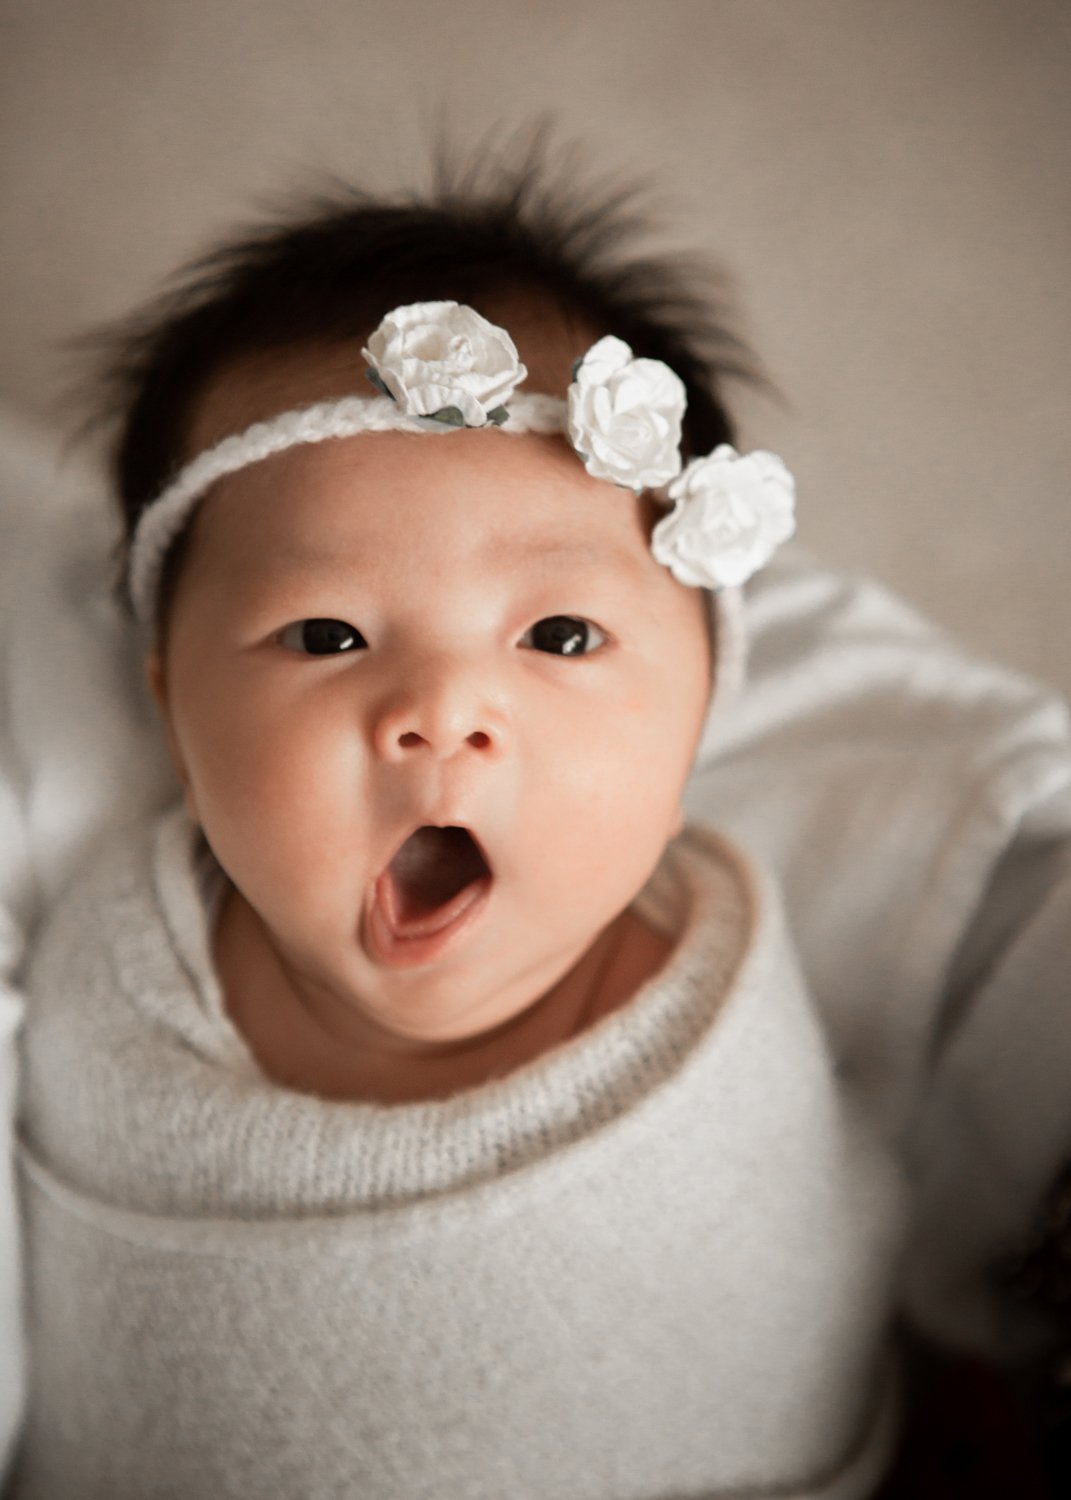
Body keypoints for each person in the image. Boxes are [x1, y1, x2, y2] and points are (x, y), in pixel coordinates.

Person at [5, 160, 1071, 1497]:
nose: (443, 710)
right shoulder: (101, 956)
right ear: (170, 705)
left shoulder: (744, 973)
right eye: (325, 634)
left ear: (701, 712)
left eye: (561, 635)